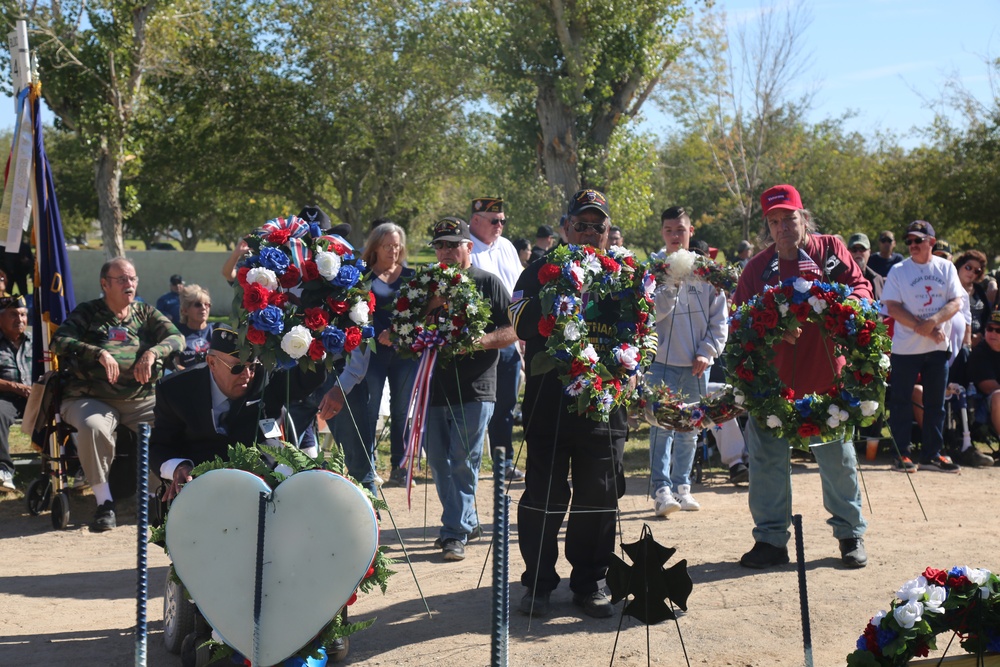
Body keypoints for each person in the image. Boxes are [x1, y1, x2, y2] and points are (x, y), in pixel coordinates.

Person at [732, 184, 870, 570]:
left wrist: (840, 310)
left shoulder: (830, 250)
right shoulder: (758, 268)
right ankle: (771, 540)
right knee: (766, 462)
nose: (782, 227)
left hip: (827, 379)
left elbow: (861, 287)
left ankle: (849, 534)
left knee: (838, 461)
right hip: (773, 386)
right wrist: (773, 329)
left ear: (803, 217)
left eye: (789, 218)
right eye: (773, 221)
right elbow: (739, 322)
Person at [510, 188, 626, 619]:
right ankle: (538, 583)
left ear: (608, 232)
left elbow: (638, 329)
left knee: (600, 494)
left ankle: (590, 582)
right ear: (565, 227)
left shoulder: (623, 274)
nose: (591, 232)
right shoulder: (539, 268)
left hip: (603, 403)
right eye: (582, 224)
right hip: (550, 403)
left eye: (600, 226)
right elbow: (520, 322)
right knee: (544, 495)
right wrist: (557, 290)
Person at [50, 257, 183, 531]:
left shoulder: (144, 313)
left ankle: (153, 498)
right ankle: (104, 503)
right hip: (90, 397)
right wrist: (97, 352)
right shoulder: (88, 312)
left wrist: (152, 352)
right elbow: (59, 340)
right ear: (104, 284)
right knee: (93, 427)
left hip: (141, 399)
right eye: (122, 279)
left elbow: (176, 337)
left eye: (133, 279)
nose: (129, 284)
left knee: (170, 425)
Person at [423, 216, 516, 561]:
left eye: (452, 244)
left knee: (463, 461)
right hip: (433, 387)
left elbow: (513, 328)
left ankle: (454, 533)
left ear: (468, 247)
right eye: (440, 245)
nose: (445, 251)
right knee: (436, 460)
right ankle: (467, 519)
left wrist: (481, 341)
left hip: (476, 387)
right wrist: (425, 312)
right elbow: (409, 329)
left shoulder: (487, 282)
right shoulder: (426, 284)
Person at [149, 325, 329, 501]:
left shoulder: (265, 378)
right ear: (212, 362)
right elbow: (160, 445)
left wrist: (315, 347)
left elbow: (305, 380)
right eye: (237, 368)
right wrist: (178, 467)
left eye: (252, 366)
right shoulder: (176, 390)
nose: (247, 375)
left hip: (264, 485)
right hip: (202, 487)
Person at [647, 206, 728, 516]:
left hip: (697, 365)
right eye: (669, 230)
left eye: (680, 230)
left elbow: (719, 319)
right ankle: (661, 490)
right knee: (660, 428)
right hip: (661, 364)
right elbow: (649, 314)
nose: (674, 236)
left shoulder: (707, 270)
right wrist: (670, 285)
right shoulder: (653, 268)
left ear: (690, 231)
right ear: (662, 233)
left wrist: (707, 351)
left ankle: (683, 488)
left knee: (690, 430)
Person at [882, 220, 965, 474]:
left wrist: (932, 322)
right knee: (900, 402)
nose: (912, 245)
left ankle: (932, 454)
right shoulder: (898, 270)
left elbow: (956, 302)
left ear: (931, 241)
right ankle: (902, 454)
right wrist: (924, 327)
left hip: (938, 348)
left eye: (918, 240)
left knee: (935, 403)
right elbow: (893, 307)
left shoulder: (946, 267)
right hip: (906, 349)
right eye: (908, 241)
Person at [468, 197, 525, 481]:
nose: (500, 225)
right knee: (479, 407)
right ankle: (473, 462)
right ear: (475, 220)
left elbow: (520, 288)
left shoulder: (507, 247)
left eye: (503, 220)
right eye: (494, 220)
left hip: (510, 337)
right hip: (479, 341)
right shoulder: (465, 248)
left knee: (506, 404)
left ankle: (502, 462)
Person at [362, 222, 417, 488]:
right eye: (388, 246)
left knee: (402, 409)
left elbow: (419, 314)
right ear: (375, 247)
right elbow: (356, 313)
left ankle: (401, 467)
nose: (394, 250)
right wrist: (379, 332)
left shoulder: (412, 277)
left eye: (397, 245)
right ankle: (368, 466)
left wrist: (396, 333)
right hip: (372, 354)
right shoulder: (363, 277)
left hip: (404, 353)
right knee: (370, 409)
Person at [0, 295, 31, 493]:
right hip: (5, 397)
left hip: (35, 396)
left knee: (60, 409)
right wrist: (15, 387)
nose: (19, 319)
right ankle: (4, 471)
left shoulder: (37, 342)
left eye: (23, 314)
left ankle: (71, 467)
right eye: (13, 315)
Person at [955, 249, 998, 348]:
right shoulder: (948, 288)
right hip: (953, 342)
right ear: (960, 265)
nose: (971, 273)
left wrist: (981, 334)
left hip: (978, 343)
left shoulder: (979, 290)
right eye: (968, 267)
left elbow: (987, 316)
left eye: (977, 271)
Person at [168, 285, 214, 371]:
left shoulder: (217, 331)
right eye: (198, 305)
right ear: (184, 310)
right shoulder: (177, 333)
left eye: (207, 304)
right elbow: (176, 365)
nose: (204, 308)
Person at [969, 311, 1000, 439]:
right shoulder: (980, 353)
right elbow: (989, 387)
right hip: (984, 402)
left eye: (998, 330)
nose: (993, 333)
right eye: (989, 329)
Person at [847, 233, 885, 301]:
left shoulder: (877, 279)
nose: (858, 252)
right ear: (847, 252)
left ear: (869, 252)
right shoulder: (840, 278)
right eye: (854, 249)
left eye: (862, 248)